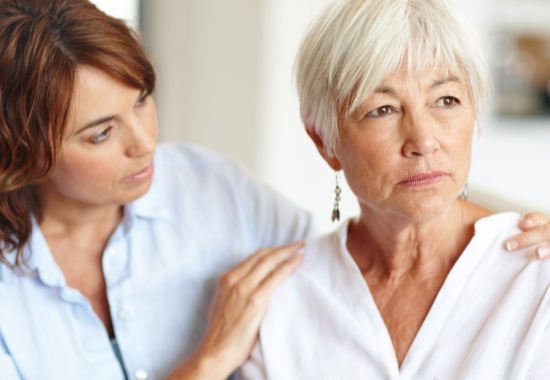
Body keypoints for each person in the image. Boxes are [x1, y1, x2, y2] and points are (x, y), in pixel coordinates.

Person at [0, 1, 548, 380]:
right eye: (381, 110)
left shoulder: (221, 195)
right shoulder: (292, 298)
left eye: (143, 99)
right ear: (324, 141)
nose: (146, 144)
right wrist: (211, 360)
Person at [238, 0, 550, 379]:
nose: (423, 139)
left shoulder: (537, 275)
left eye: (446, 100)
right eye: (383, 109)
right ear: (324, 142)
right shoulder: (282, 299)